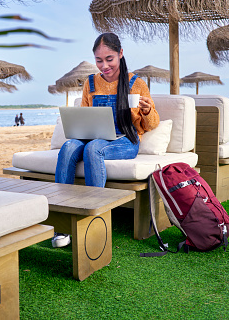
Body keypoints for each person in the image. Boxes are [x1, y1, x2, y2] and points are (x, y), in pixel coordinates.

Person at [51, 32, 160, 248]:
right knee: (68, 146)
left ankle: (94, 221)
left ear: (120, 54)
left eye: (109, 59)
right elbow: (84, 118)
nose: (104, 65)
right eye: (99, 60)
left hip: (125, 140)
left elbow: (151, 125)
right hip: (96, 135)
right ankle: (62, 223)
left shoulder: (136, 84)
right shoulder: (90, 83)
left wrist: (148, 111)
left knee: (94, 148)